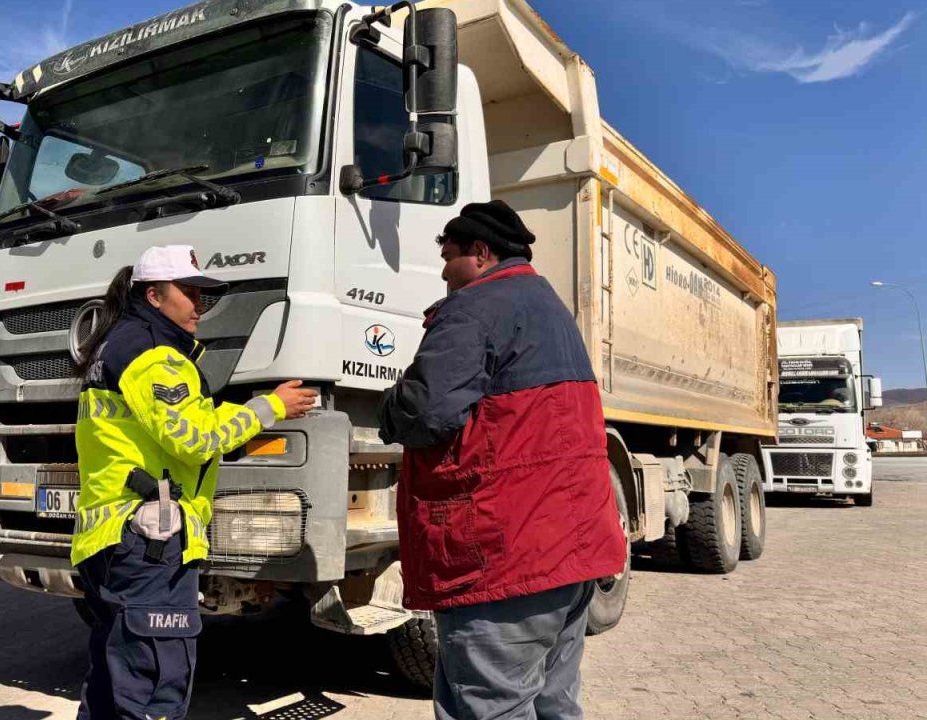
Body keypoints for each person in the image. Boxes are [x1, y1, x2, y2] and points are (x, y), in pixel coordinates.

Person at [378, 200, 628, 720]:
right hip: (568, 551)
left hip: (505, 558)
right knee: (556, 704)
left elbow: (425, 411)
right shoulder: (548, 305)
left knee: (492, 707)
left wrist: (390, 402)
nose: (444, 273)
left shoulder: (473, 308)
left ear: (480, 253)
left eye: (448, 258)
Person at [71, 244, 317, 720]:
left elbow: (184, 418)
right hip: (148, 545)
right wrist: (269, 408)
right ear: (153, 295)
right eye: (188, 292)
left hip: (110, 541)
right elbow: (195, 437)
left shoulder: (117, 345)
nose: (199, 305)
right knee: (153, 692)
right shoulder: (154, 356)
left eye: (202, 294)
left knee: (111, 686)